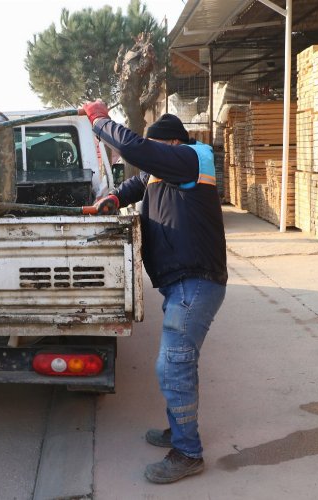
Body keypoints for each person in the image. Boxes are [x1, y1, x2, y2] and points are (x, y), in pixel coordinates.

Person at [81, 101, 228, 484]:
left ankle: (188, 452)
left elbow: (139, 152)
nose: (153, 165)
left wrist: (100, 120)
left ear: (172, 144)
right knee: (180, 363)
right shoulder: (164, 172)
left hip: (196, 282)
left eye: (157, 153)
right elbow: (138, 181)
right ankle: (177, 431)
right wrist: (113, 199)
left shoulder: (192, 157)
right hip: (181, 282)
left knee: (173, 364)